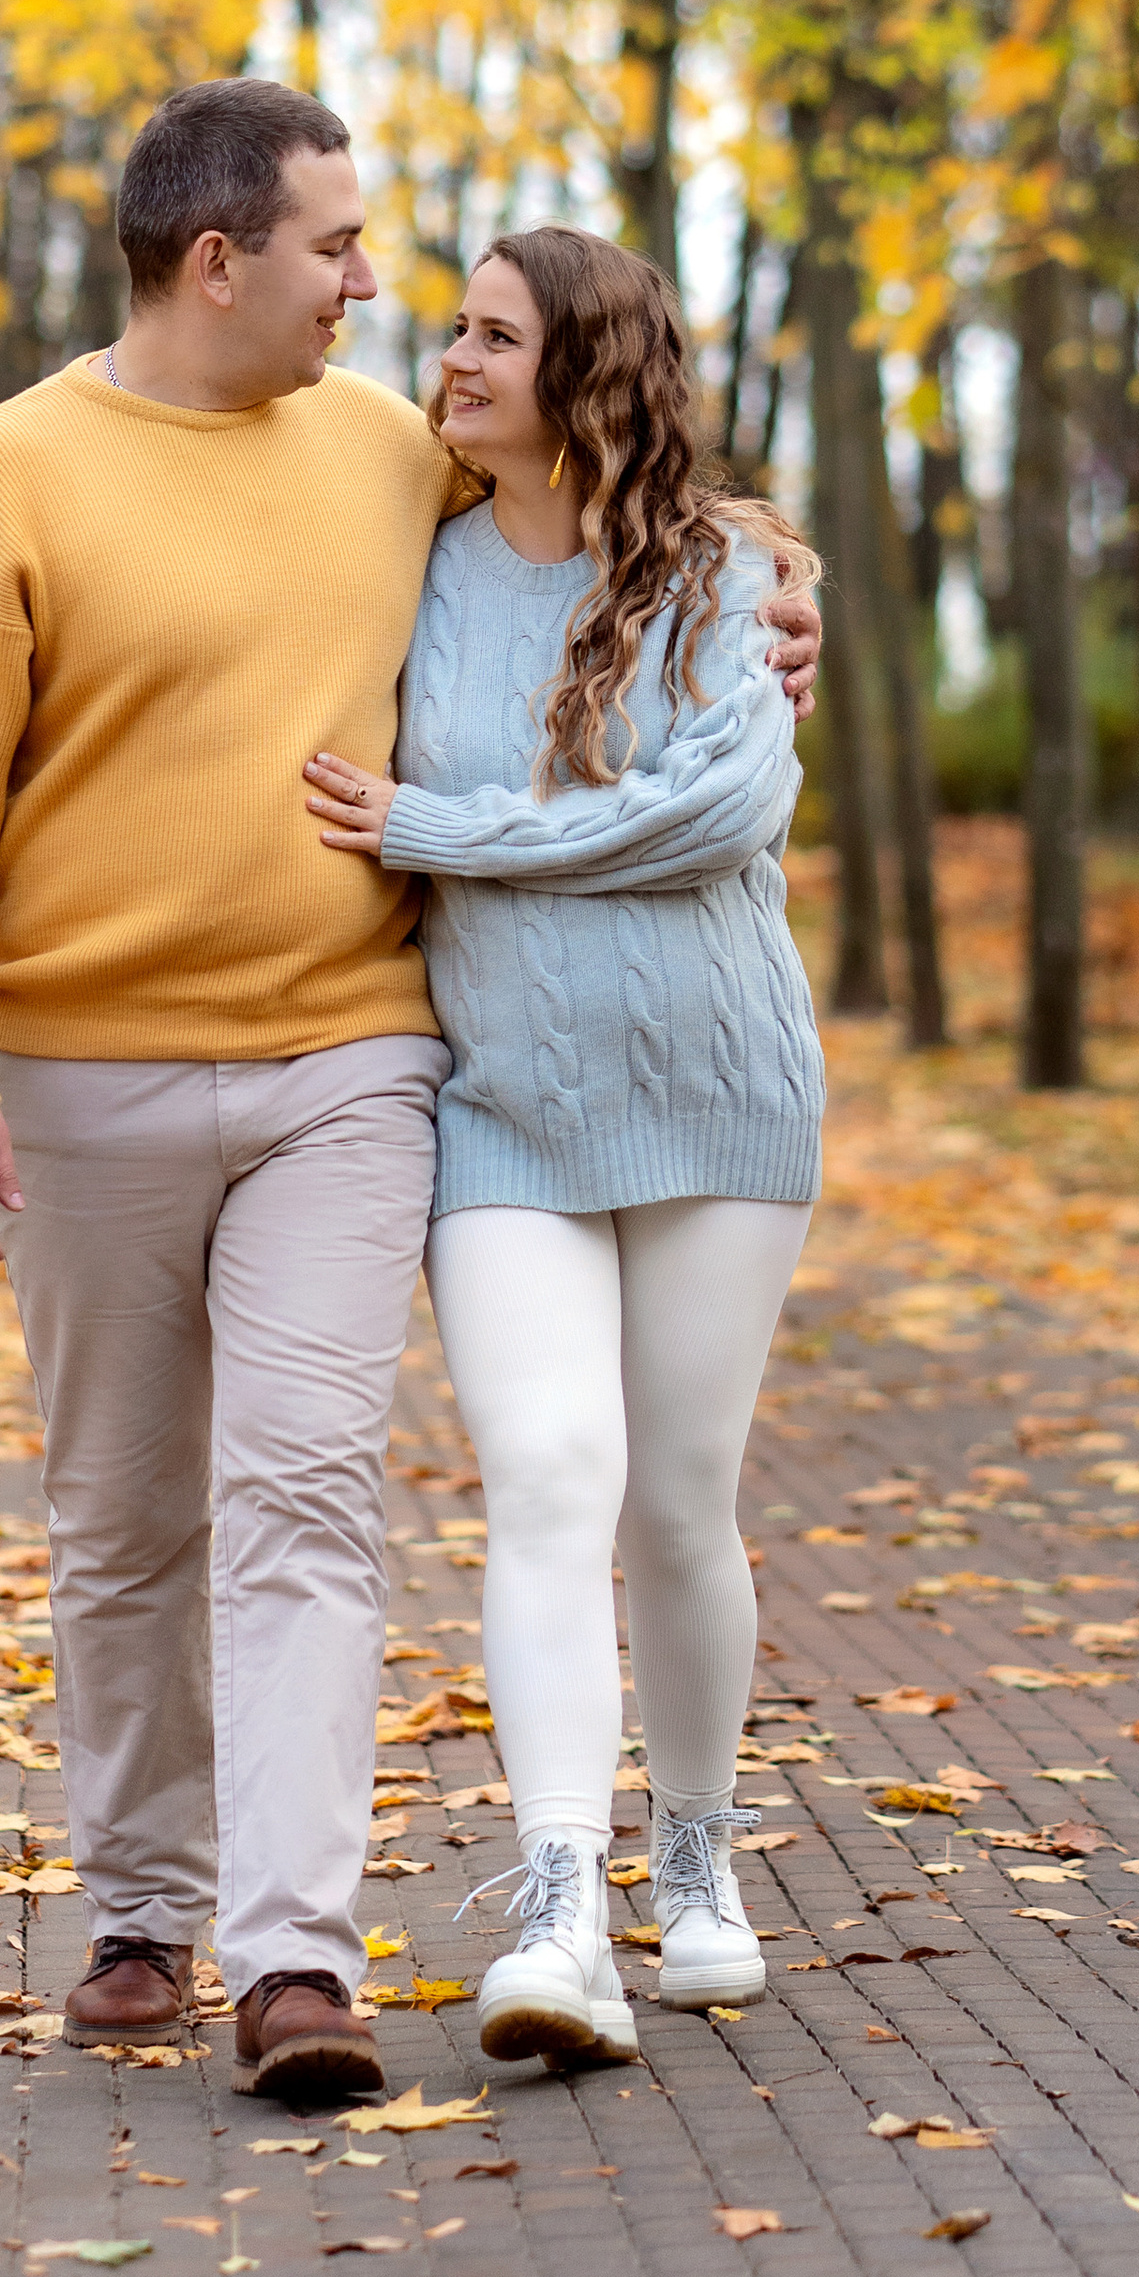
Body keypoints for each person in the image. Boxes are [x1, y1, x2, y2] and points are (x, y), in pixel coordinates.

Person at [0, 82, 818, 2106]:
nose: (371, 287)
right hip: (82, 1072)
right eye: (334, 249)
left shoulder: (391, 452)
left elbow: (618, 515)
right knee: (119, 1517)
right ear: (219, 262)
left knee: (299, 1490)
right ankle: (139, 1904)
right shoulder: (7, 479)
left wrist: (772, 576)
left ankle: (293, 1960)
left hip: (351, 1061)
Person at [302, 226, 824, 2071]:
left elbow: (725, 808)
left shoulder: (715, 576)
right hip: (504, 1106)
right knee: (544, 1473)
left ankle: (697, 1864)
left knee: (679, 1503)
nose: (452, 358)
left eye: (494, 335)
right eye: (451, 326)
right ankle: (554, 1898)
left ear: (585, 372)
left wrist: (443, 830)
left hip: (716, 1100)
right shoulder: (417, 573)